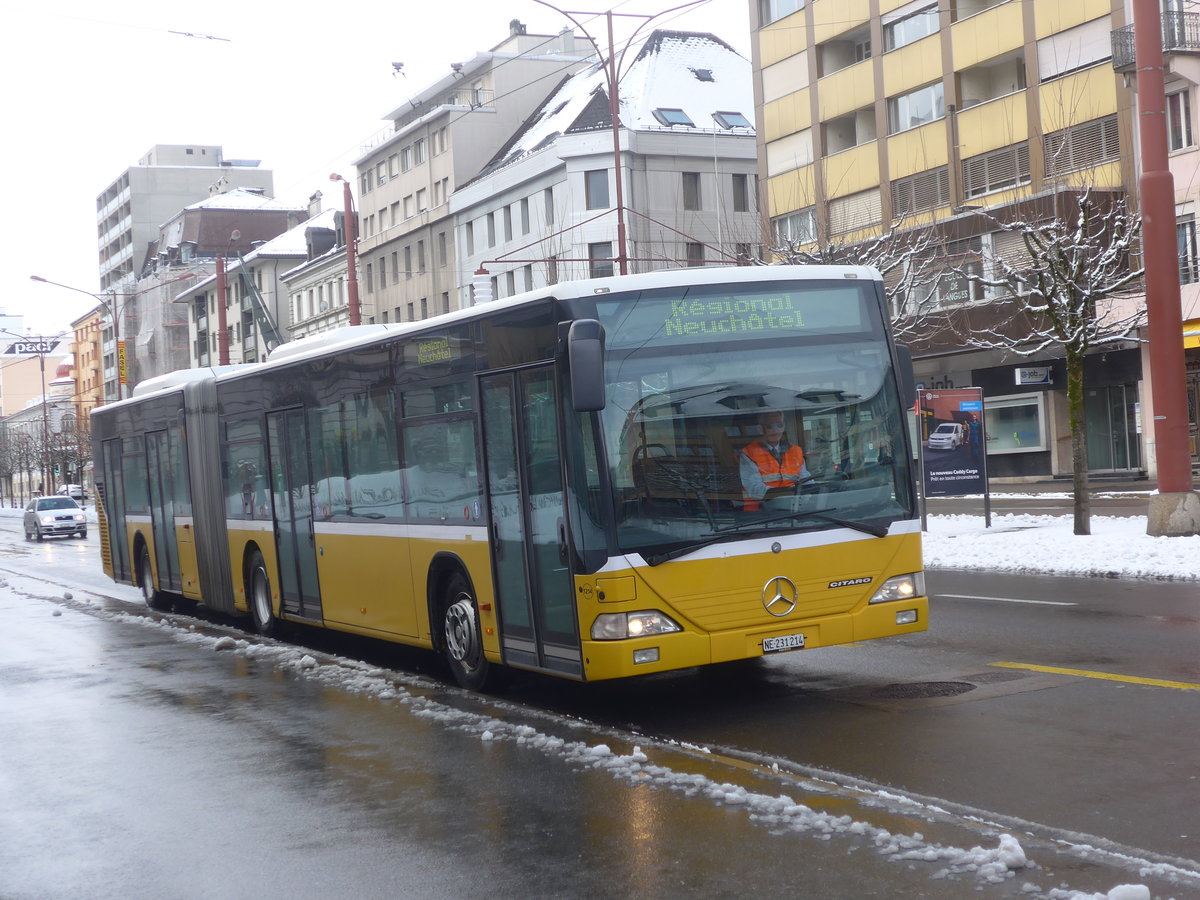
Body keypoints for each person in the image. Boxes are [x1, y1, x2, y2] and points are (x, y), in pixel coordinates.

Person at [739, 410, 811, 511]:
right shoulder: (748, 454)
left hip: (794, 510)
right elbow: (753, 489)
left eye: (779, 425)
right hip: (760, 515)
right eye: (769, 426)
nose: (776, 430)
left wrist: (807, 495)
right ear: (760, 429)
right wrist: (785, 496)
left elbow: (806, 479)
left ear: (784, 426)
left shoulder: (796, 451)